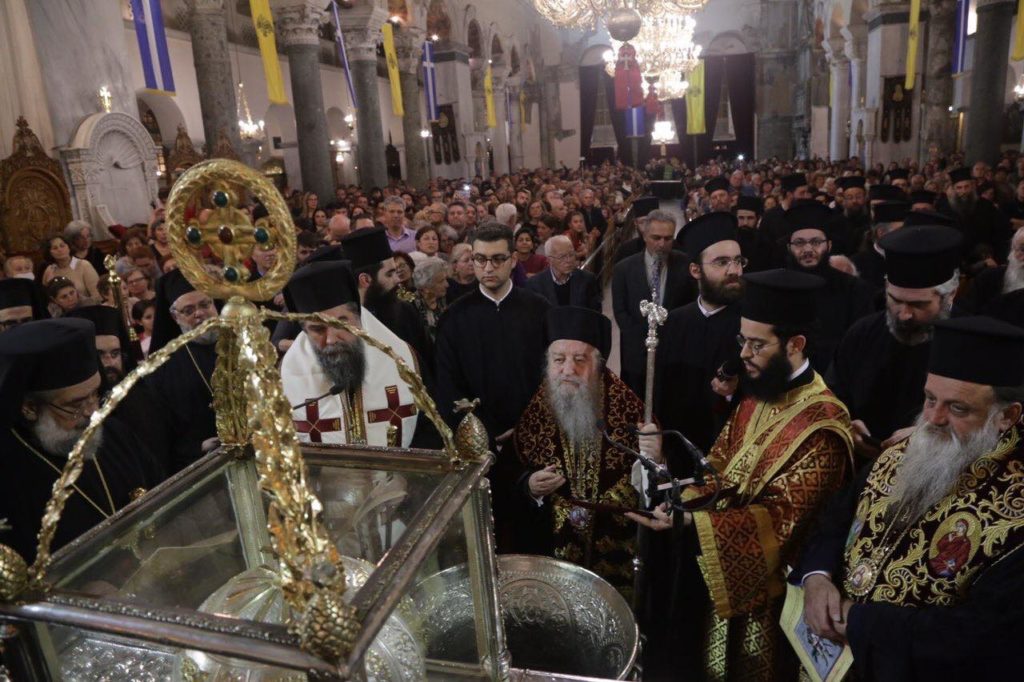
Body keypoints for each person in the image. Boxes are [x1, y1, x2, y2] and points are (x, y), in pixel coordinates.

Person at [630, 269, 854, 681]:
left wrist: (691, 523)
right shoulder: (759, 394)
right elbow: (718, 467)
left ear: (795, 344)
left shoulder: (821, 426)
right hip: (724, 582)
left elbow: (783, 521)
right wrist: (677, 499)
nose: (744, 354)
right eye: (742, 341)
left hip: (769, 601)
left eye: (757, 344)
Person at [794, 316, 1024, 680]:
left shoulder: (1017, 514)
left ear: (1007, 416)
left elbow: (984, 638)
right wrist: (817, 576)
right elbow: (835, 519)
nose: (933, 418)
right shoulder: (900, 454)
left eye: (958, 408)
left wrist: (859, 621)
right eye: (930, 399)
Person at [434, 223, 551, 550]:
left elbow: (553, 378)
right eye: (480, 259)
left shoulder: (540, 310)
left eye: (497, 259)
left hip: (533, 442)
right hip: (479, 448)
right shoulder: (454, 318)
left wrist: (527, 427)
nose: (488, 268)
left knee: (534, 536)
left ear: (513, 260)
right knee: (489, 539)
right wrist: (482, 432)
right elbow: (447, 386)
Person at [513, 306, 645, 595]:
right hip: (554, 546)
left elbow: (652, 478)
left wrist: (655, 458)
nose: (568, 370)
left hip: (615, 546)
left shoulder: (629, 409)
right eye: (559, 360)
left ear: (597, 364)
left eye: (580, 360)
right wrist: (530, 486)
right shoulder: (534, 409)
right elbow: (513, 471)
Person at [0, 319, 155, 561]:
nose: (93, 412)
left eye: (95, 395)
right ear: (29, 408)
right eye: (76, 405)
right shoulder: (8, 477)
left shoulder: (115, 434)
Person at [827, 225, 963, 459]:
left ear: (950, 295)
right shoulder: (862, 333)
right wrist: (845, 424)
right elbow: (833, 394)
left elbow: (987, 420)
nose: (904, 315)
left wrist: (931, 434)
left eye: (918, 305)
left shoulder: (973, 345)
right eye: (896, 300)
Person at [280, 261, 423, 448]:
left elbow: (428, 429)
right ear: (304, 331)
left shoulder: (401, 358)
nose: (331, 339)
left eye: (341, 324)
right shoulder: (286, 375)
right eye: (317, 329)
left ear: (358, 318)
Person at [655, 212, 744, 456]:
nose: (734, 270)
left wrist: (735, 390)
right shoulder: (674, 321)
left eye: (738, 261)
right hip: (678, 448)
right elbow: (661, 391)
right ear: (695, 270)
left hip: (732, 450)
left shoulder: (753, 324)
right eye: (722, 262)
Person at [612, 209, 696, 396]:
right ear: (644, 235)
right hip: (636, 353)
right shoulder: (623, 269)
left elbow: (691, 303)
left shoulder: (685, 265)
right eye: (656, 238)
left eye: (668, 238)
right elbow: (620, 311)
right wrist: (642, 339)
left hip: (674, 351)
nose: (662, 244)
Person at [782, 202, 874, 370]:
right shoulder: (776, 289)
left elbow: (861, 343)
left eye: (816, 242)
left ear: (829, 246)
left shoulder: (854, 288)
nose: (808, 249)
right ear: (789, 248)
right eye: (799, 243)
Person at [146, 269, 219, 474]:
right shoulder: (163, 370)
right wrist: (198, 448)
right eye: (188, 310)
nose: (199, 314)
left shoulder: (242, 343)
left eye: (205, 304)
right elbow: (162, 435)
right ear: (175, 317)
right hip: (205, 467)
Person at [524, 235, 602, 311]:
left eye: (571, 255)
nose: (568, 260)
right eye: (562, 257)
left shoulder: (587, 279)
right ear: (549, 260)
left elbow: (596, 314)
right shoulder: (534, 285)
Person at [851, 200, 908, 290]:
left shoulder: (912, 260)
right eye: (900, 231)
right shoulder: (857, 263)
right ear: (881, 233)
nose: (905, 236)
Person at [41, 235, 100, 305]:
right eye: (55, 248)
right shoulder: (50, 270)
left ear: (68, 247)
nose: (60, 250)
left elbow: (97, 296)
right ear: (49, 253)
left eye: (62, 246)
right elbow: (48, 299)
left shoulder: (84, 265)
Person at [827, 176, 870, 256]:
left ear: (865, 198)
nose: (854, 201)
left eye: (858, 197)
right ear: (844, 200)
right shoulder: (834, 224)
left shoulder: (870, 221)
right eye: (850, 197)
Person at [410, 256, 449, 342]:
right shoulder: (411, 307)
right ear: (426, 287)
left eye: (445, 279)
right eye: (441, 281)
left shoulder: (447, 297)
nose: (447, 285)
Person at [734, 195, 772, 272]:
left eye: (750, 218)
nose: (745, 223)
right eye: (741, 218)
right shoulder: (730, 241)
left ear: (757, 219)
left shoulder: (766, 243)